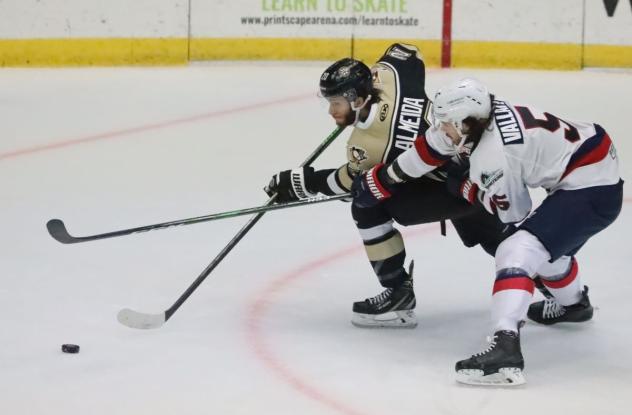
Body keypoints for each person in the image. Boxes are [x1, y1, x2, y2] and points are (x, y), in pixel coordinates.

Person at [352, 77, 623, 385]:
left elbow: (514, 218)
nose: (440, 129)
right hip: (588, 159)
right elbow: (430, 148)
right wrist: (384, 179)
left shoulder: (494, 155)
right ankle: (574, 306)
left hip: (593, 188)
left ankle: (505, 348)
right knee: (545, 249)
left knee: (519, 249)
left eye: (445, 124)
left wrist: (470, 189)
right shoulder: (475, 121)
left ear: (465, 123)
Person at [265, 44, 514, 328]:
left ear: (357, 100)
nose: (331, 111)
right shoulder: (391, 75)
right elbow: (407, 51)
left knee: (367, 204)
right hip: (476, 166)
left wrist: (303, 182)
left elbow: (350, 186)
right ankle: (566, 296)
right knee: (507, 243)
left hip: (455, 188)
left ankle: (397, 295)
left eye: (336, 103)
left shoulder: (369, 146)